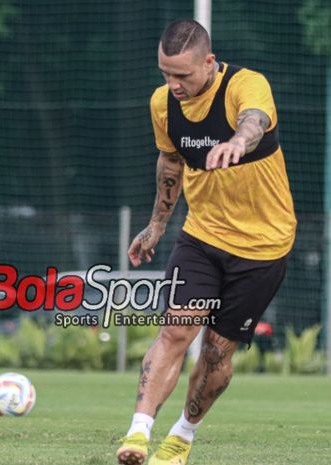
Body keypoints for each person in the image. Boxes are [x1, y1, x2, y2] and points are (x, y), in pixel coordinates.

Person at [116, 19, 296, 465]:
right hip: (202, 236)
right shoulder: (163, 104)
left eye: (183, 75)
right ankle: (138, 434)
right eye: (165, 74)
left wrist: (237, 140)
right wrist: (156, 226)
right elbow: (170, 162)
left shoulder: (246, 86)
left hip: (263, 247)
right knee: (176, 330)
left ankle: (181, 438)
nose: (173, 84)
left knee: (217, 352)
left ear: (209, 63)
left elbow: (255, 121)